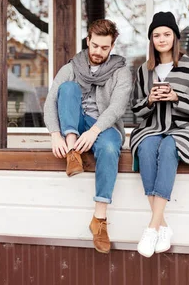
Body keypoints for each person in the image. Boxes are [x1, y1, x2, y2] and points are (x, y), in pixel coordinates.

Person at [130, 11, 189, 258]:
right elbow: (135, 109)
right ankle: (163, 227)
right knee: (147, 148)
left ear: (175, 37)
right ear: (151, 39)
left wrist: (176, 97)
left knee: (169, 147)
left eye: (166, 34)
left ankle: (152, 228)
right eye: (156, 35)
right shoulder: (143, 70)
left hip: (184, 129)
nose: (161, 39)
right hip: (152, 127)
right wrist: (149, 100)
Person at [43, 19, 132, 254]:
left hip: (102, 126)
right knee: (68, 89)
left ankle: (99, 219)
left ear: (112, 47)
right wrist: (55, 134)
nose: (98, 52)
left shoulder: (121, 71)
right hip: (75, 126)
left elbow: (117, 108)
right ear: (88, 41)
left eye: (104, 48)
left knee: (111, 149)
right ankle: (73, 153)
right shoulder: (72, 67)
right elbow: (51, 101)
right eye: (94, 46)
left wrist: (94, 131)